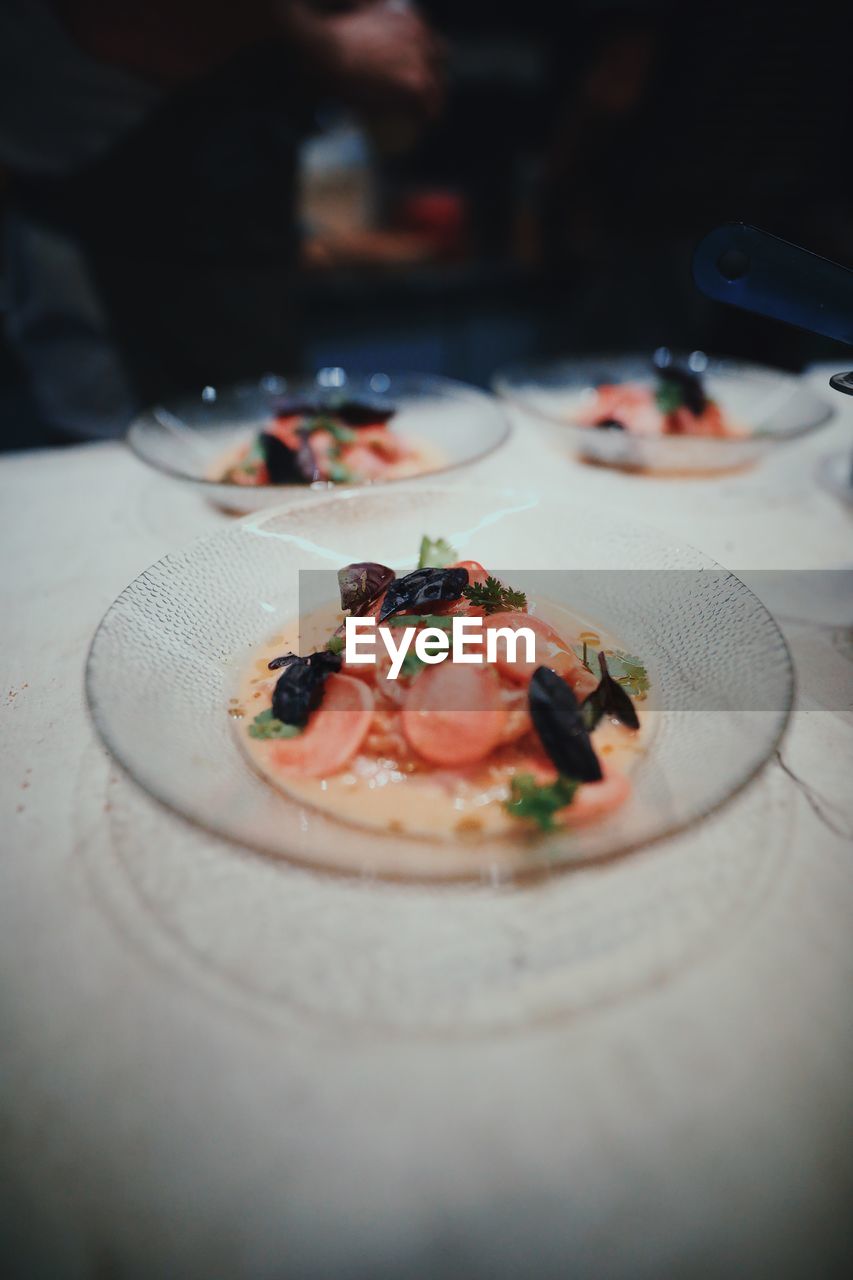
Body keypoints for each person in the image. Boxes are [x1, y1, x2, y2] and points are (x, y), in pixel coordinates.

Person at [0, 0, 445, 438]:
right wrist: (330, 43)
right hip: (103, 210)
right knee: (130, 460)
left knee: (263, 441)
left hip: (232, 221)